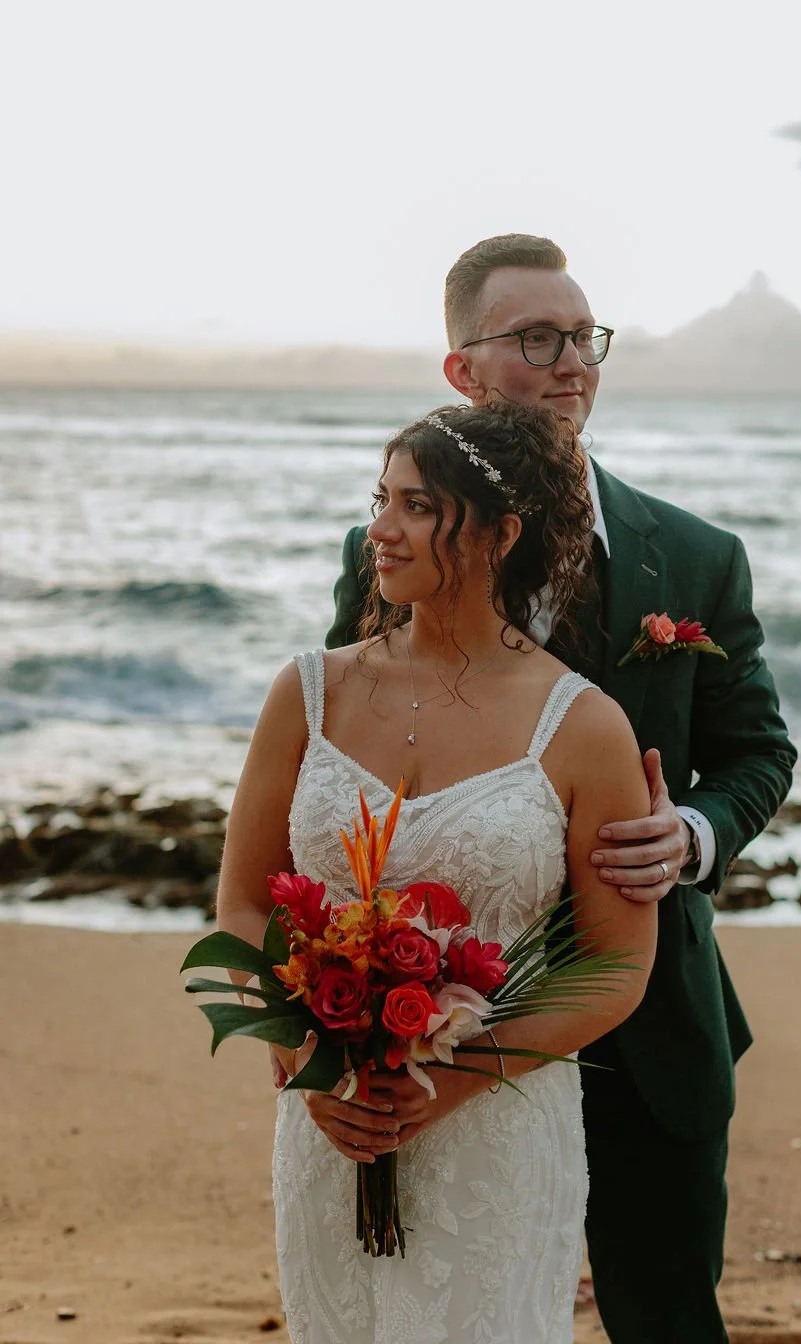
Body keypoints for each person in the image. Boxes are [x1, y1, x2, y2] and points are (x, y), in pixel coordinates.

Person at [327, 235, 798, 1344]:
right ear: (463, 371)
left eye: (584, 337)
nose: (573, 362)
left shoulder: (692, 557)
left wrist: (689, 832)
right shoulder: (383, 547)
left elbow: (757, 754)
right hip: (438, 1012)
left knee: (666, 1314)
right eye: (537, 338)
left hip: (652, 1028)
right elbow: (346, 750)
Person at [218, 398, 658, 1343]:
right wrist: (308, 1063)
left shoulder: (583, 726)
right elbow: (246, 902)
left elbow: (617, 965)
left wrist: (448, 1084)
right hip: (329, 1126)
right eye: (382, 499)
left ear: (501, 532)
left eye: (417, 506)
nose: (380, 528)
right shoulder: (308, 692)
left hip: (494, 1130)